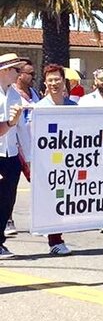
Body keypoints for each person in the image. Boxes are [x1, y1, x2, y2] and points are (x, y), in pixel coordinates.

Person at [35, 64, 77, 256]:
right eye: (50, 80)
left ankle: (53, 233)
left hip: (68, 163)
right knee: (52, 199)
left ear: (64, 81)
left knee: (62, 199)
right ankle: (55, 240)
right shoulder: (39, 108)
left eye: (57, 79)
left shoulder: (73, 107)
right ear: (45, 83)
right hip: (46, 163)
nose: (54, 83)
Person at [5, 59, 39, 235]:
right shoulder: (10, 95)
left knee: (35, 185)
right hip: (8, 149)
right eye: (30, 74)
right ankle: (7, 222)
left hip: (23, 149)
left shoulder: (28, 94)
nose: (33, 77)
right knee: (7, 192)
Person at [0, 53, 26, 258]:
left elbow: (22, 128)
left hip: (11, 155)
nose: (19, 74)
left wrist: (29, 159)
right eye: (16, 70)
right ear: (5, 70)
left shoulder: (15, 95)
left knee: (8, 200)